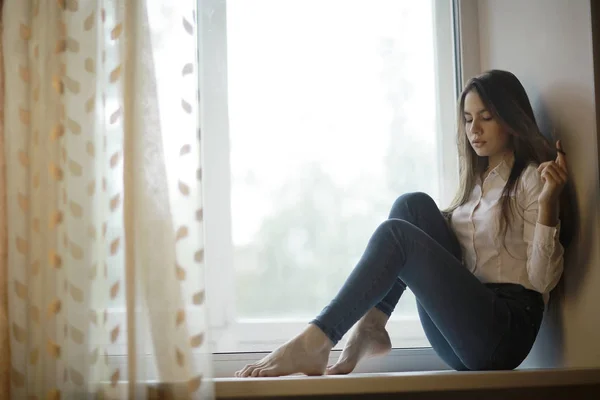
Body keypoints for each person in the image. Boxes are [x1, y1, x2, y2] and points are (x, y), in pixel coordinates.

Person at [236, 70, 571, 378]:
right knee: (411, 206)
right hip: (462, 334)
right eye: (468, 120)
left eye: (486, 118)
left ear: (511, 120)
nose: (474, 130)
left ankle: (317, 340)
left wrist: (548, 205)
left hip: (504, 330)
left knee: (396, 235)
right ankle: (372, 326)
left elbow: (543, 281)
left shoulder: (530, 180)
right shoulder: (474, 185)